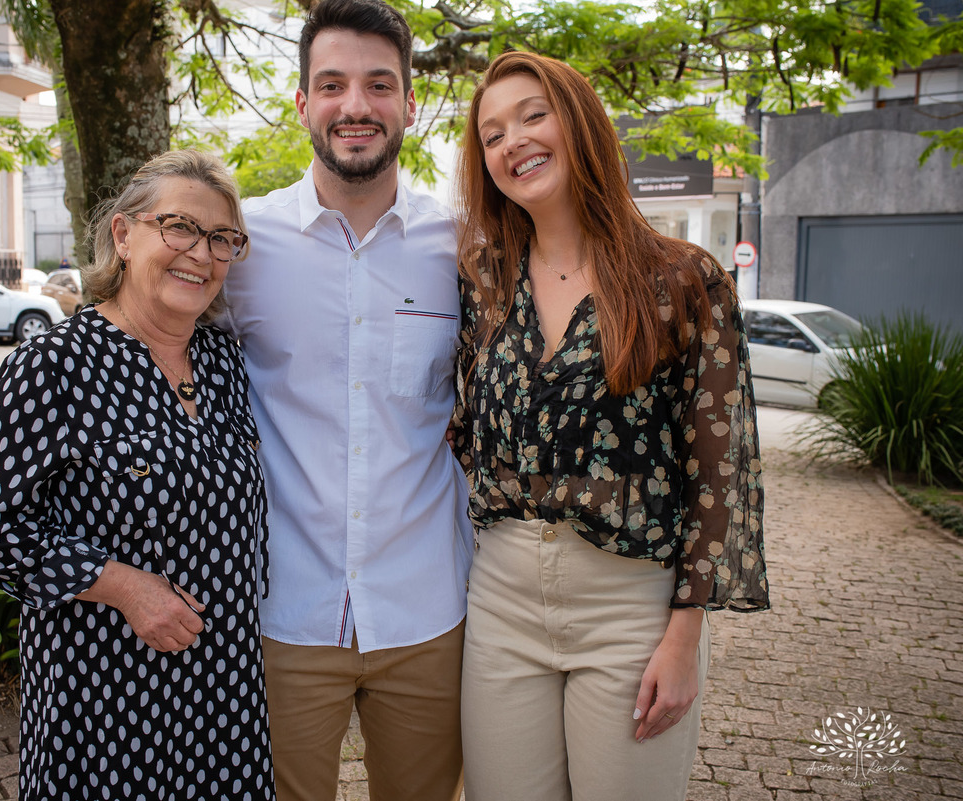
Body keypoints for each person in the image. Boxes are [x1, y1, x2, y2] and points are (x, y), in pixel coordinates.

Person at [452, 51, 770, 801]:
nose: (513, 141)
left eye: (534, 114)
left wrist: (686, 634)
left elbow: (719, 472)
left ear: (582, 123)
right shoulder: (482, 282)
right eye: (491, 133)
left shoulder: (683, 279)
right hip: (500, 601)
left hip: (630, 606)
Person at [0, 150, 275, 801]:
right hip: (104, 697)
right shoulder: (53, 365)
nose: (201, 253)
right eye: (179, 226)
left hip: (226, 692)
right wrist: (127, 587)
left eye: (222, 238)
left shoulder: (224, 361)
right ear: (124, 234)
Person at [219, 0, 472, 798]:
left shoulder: (463, 246)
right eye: (331, 85)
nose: (355, 106)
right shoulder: (240, 246)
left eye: (378, 85)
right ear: (302, 103)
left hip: (429, 610)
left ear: (408, 103)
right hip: (283, 610)